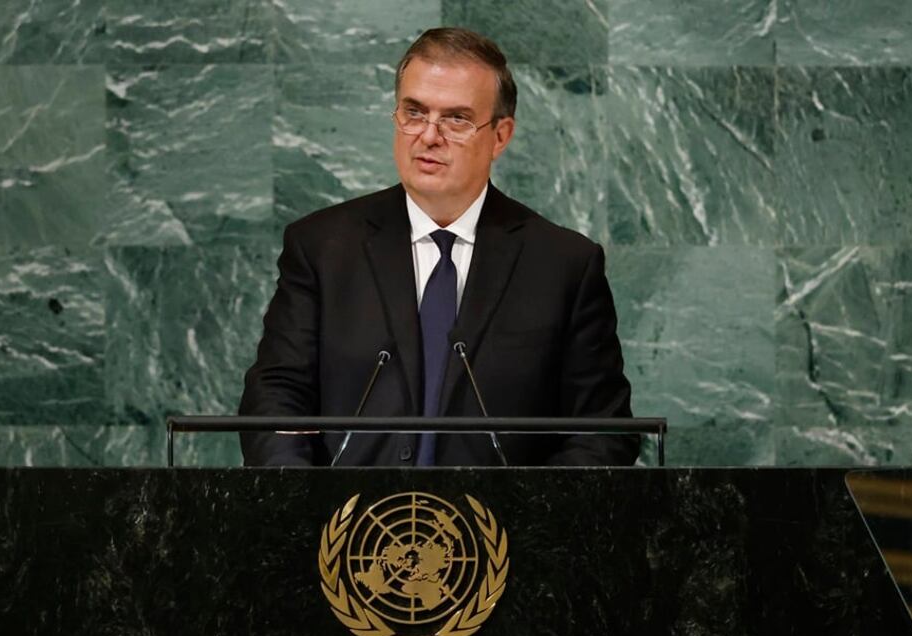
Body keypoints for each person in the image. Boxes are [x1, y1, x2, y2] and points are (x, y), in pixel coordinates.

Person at [239, 27, 637, 466]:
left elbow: (603, 432)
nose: (429, 135)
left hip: (503, 531)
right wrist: (309, 511)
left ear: (500, 136)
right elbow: (275, 399)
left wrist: (527, 523)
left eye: (457, 119)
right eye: (414, 112)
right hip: (347, 528)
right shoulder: (321, 247)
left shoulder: (564, 266)